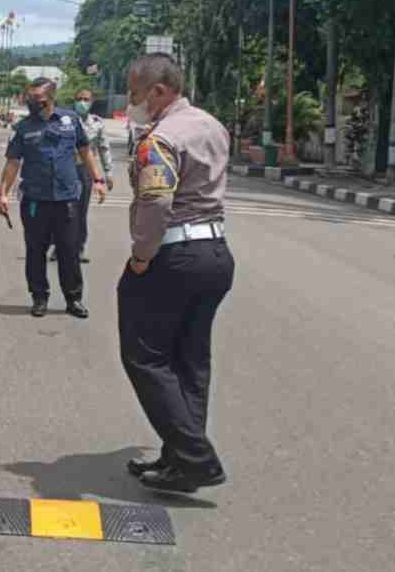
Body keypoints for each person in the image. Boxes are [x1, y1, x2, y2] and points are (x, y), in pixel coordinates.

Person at [117, 53, 235, 494]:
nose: (133, 103)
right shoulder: (211, 125)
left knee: (145, 357)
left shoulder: (159, 139)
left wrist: (141, 257)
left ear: (159, 91)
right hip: (215, 253)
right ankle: (179, 458)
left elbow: (156, 203)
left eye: (135, 94)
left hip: (174, 255)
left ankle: (196, 458)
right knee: (190, 362)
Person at [0, 78, 106, 319]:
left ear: (51, 99)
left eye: (39, 100)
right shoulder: (23, 127)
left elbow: (85, 151)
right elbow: (13, 162)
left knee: (69, 250)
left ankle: (73, 299)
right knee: (36, 251)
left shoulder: (69, 121)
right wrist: (2, 193)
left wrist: (98, 179)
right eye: (31, 100)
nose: (33, 104)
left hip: (67, 198)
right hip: (35, 200)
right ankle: (39, 297)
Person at [69, 89, 114, 263]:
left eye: (86, 99)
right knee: (61, 210)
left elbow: (103, 148)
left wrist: (108, 173)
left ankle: (79, 248)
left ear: (92, 101)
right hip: (65, 171)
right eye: (79, 99)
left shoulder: (97, 124)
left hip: (84, 171)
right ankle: (59, 247)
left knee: (80, 211)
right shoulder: (65, 121)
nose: (82, 102)